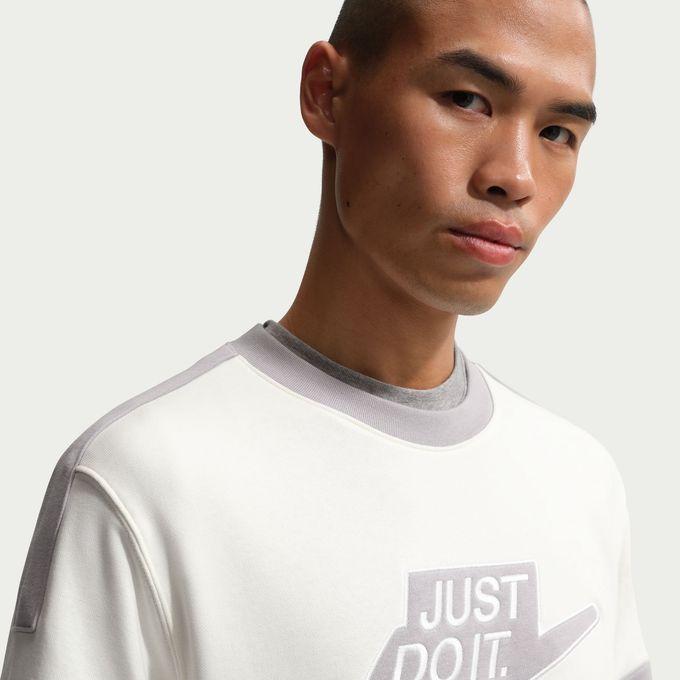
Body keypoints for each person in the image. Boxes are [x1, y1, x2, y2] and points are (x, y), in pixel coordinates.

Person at [1, 0, 652, 678]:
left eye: (557, 132)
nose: (514, 177)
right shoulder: (145, 482)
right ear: (326, 93)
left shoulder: (580, 481)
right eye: (467, 100)